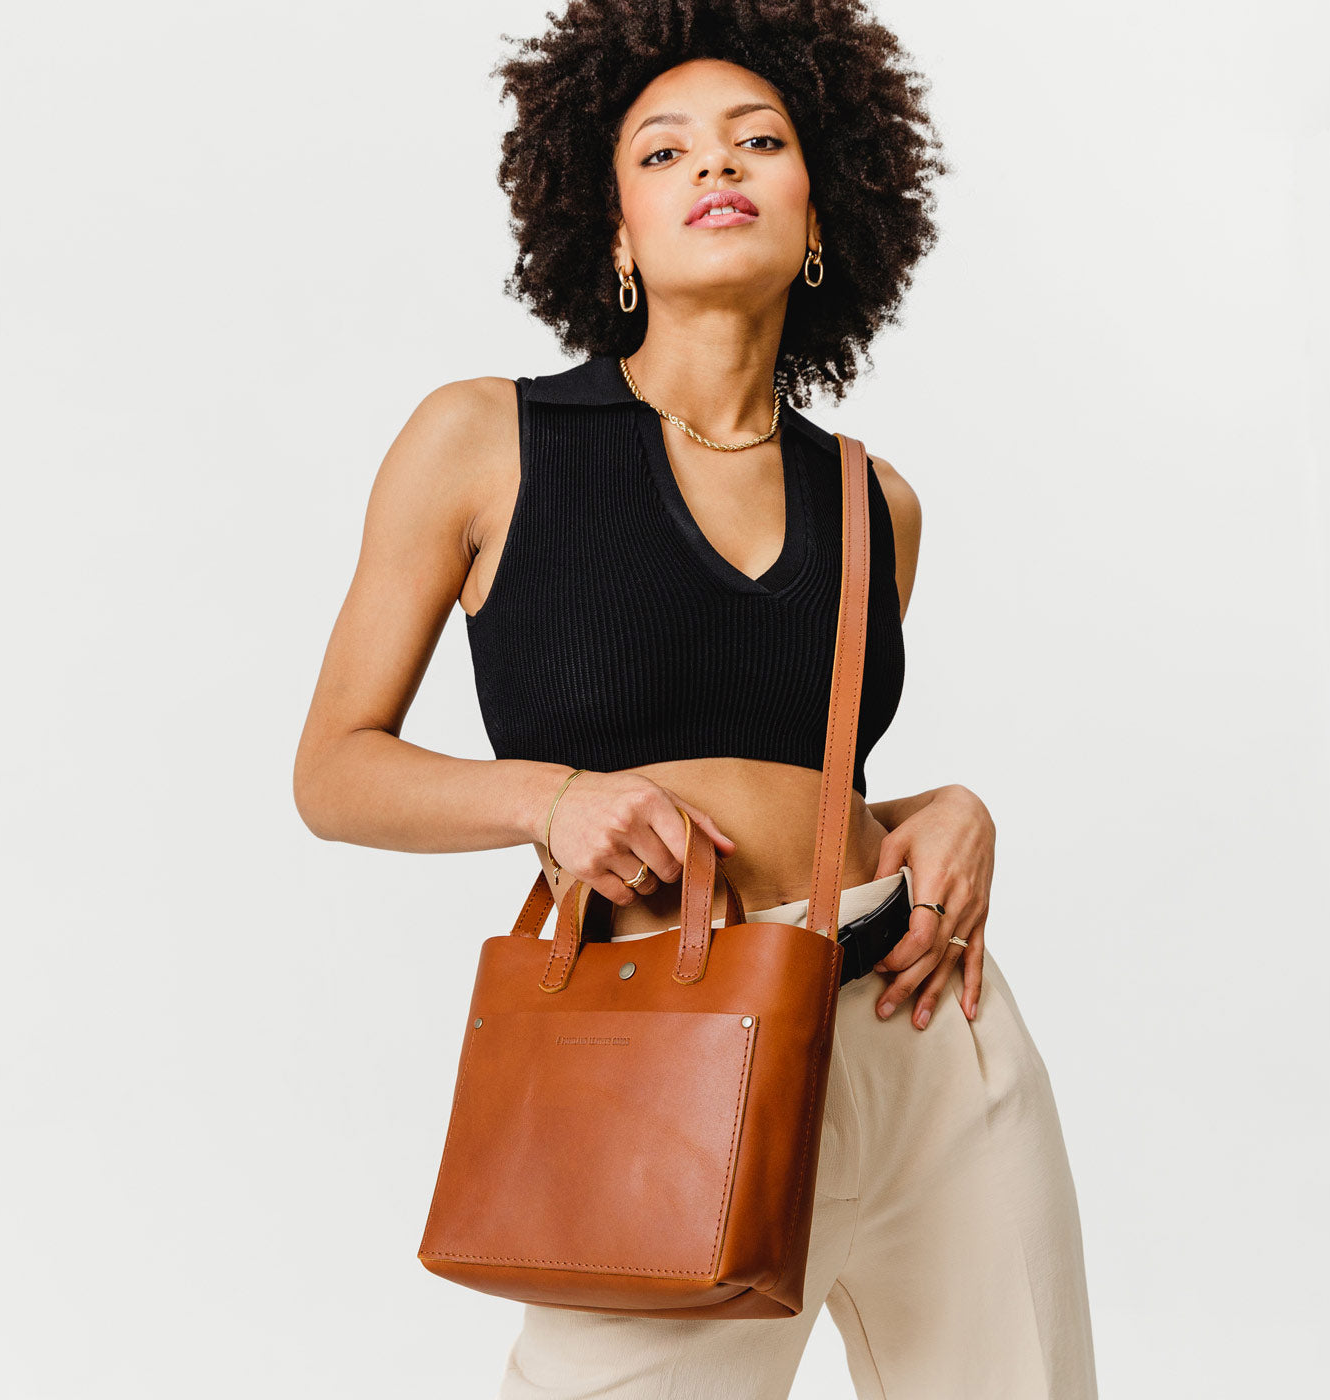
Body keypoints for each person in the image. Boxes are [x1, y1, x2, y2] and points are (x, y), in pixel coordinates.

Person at [293, 2, 1099, 1395]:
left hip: (923, 1029)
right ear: (614, 233)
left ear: (819, 210)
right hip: (660, 1053)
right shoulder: (487, 441)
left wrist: (948, 808)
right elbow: (334, 770)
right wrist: (550, 804)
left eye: (758, 140)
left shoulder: (874, 500)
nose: (715, 165)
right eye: (662, 152)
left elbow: (800, 782)